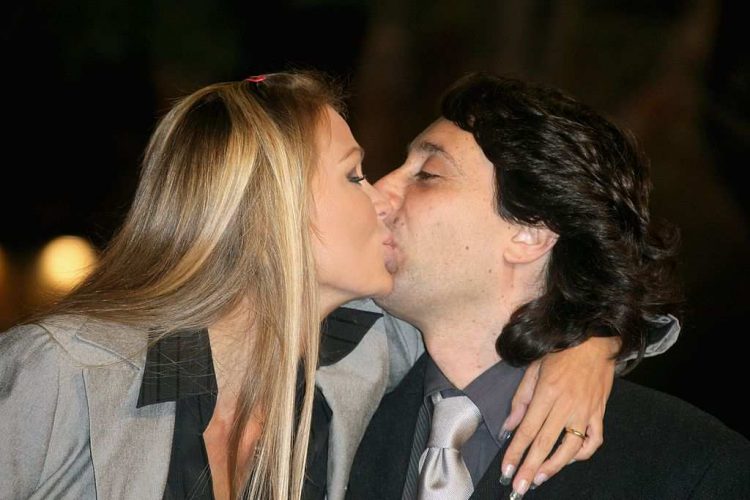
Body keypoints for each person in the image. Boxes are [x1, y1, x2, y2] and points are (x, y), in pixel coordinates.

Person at [0, 70, 678, 500]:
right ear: (271, 207)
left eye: (422, 173)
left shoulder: (365, 354)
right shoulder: (66, 372)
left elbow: (522, 314)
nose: (381, 193)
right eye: (354, 175)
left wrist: (591, 345)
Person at [346, 73, 750, 499]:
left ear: (531, 234)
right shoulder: (331, 417)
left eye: (427, 174)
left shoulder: (692, 468)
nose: (379, 191)